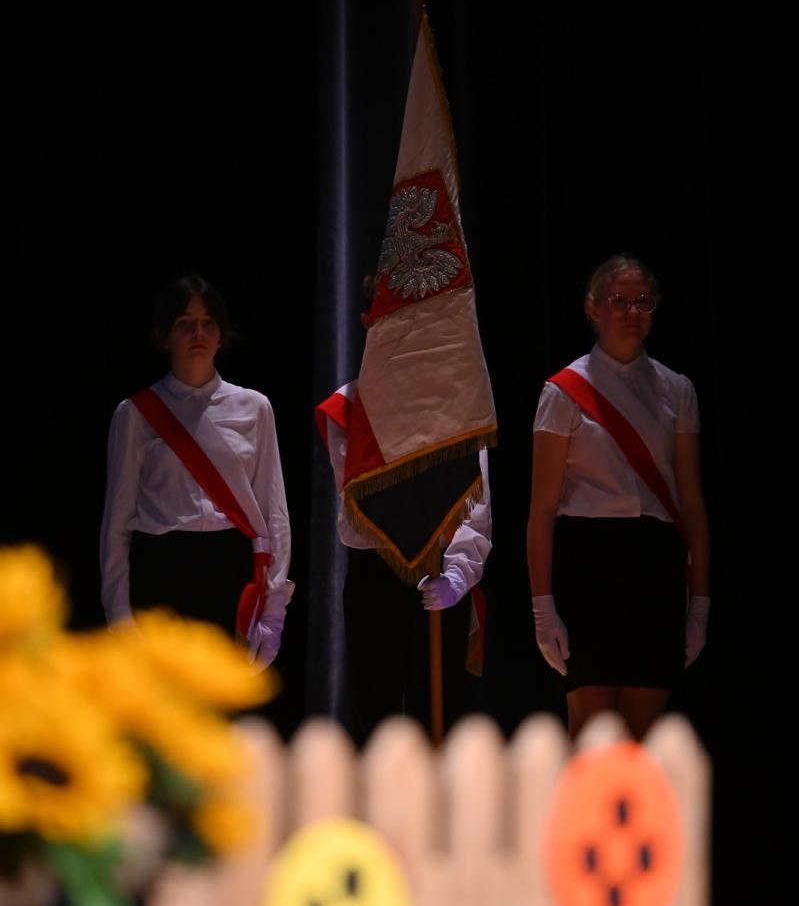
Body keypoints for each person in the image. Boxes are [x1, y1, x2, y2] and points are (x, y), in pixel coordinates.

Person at [526, 253, 710, 741]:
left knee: (641, 738)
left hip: (655, 564)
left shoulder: (678, 390)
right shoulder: (563, 390)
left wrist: (700, 604)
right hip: (588, 563)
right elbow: (542, 509)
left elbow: (691, 503)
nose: (632, 312)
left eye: (642, 301)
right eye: (619, 301)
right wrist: (542, 607)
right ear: (593, 308)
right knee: (589, 735)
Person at [100, 274, 294, 667]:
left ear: (222, 335)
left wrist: (274, 613)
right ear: (163, 336)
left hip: (230, 570)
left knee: (225, 720)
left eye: (208, 323)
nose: (198, 332)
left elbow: (274, 515)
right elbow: (116, 524)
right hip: (161, 570)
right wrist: (119, 615)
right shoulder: (136, 414)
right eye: (184, 323)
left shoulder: (255, 408)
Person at [318, 380, 492, 748]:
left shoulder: (459, 398)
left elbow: (474, 499)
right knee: (374, 718)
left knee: (438, 721)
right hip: (376, 569)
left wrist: (459, 573)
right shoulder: (350, 405)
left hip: (441, 570)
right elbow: (355, 509)